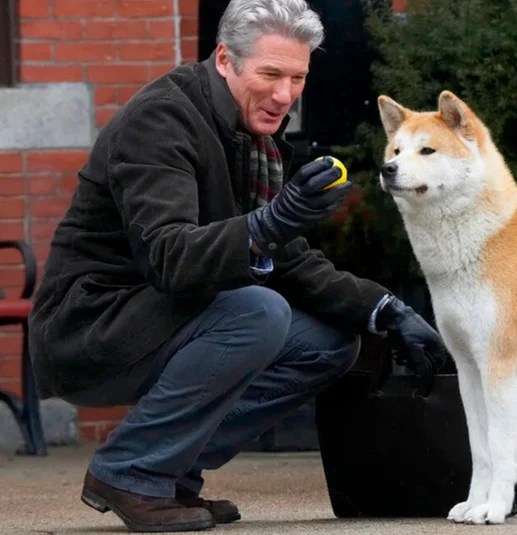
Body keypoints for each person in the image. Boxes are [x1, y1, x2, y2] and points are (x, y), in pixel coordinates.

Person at [27, 0, 447, 531]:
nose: (284, 95)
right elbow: (171, 259)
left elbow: (287, 257)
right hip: (91, 330)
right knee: (256, 311)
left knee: (329, 343)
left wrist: (384, 310)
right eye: (270, 74)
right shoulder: (163, 119)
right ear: (225, 59)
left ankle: (170, 472)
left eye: (297, 77)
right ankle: (131, 471)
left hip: (165, 321)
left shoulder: (254, 135)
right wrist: (271, 222)